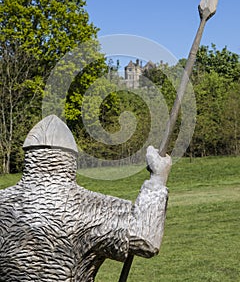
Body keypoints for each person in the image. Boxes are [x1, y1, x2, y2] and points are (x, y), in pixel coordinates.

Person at [0, 115, 172, 282]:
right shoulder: (94, 209)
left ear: (29, 156)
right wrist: (157, 180)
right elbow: (146, 239)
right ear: (70, 159)